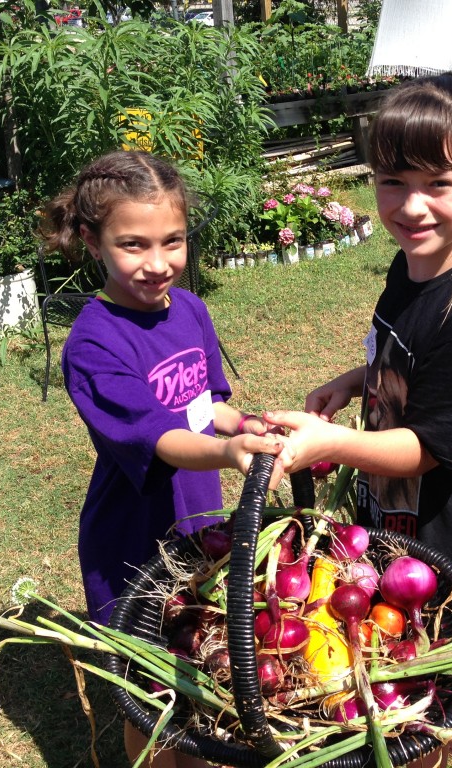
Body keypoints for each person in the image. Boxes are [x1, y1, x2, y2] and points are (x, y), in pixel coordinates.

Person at [266, 74, 452, 768]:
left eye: (437, 183)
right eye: (392, 181)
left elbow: (428, 449)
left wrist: (333, 443)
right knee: (418, 698)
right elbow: (407, 364)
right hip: (409, 525)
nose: (411, 206)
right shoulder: (413, 268)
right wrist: (356, 380)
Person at [42, 150, 283, 767]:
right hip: (133, 538)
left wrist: (249, 425)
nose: (158, 264)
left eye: (172, 241)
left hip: (195, 530)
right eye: (133, 245)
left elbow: (203, 407)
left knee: (193, 671)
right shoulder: (94, 341)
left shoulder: (191, 310)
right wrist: (227, 452)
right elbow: (162, 438)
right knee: (145, 697)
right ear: (93, 243)